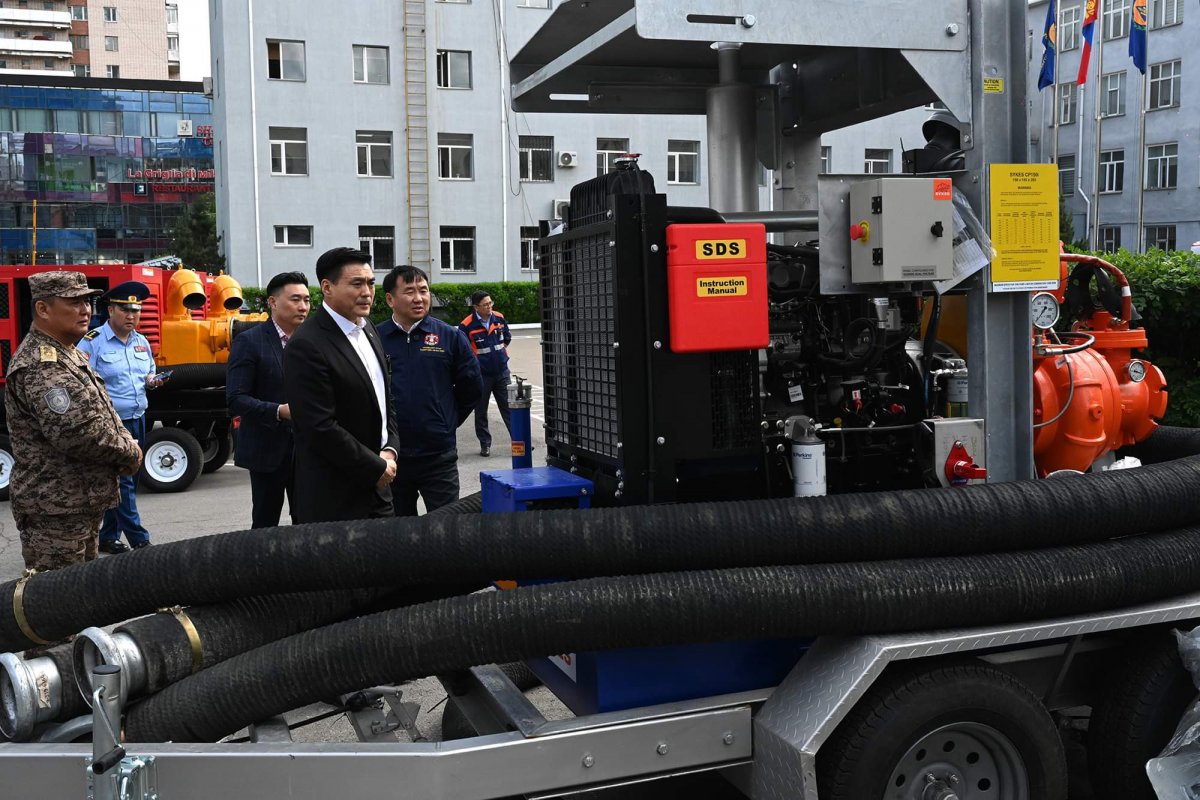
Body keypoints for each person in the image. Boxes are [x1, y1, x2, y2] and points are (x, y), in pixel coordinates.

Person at [5, 271, 143, 572]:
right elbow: (77, 432)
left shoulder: (68, 353)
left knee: (83, 593)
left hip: (78, 502)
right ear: (43, 309)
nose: (86, 310)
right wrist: (129, 452)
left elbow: (103, 411)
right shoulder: (42, 364)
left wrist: (124, 440)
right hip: (56, 510)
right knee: (59, 597)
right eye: (74, 302)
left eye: (87, 302)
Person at [283, 247, 400, 523]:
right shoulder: (306, 344)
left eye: (370, 283)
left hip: (379, 488)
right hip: (334, 496)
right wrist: (375, 466)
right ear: (327, 287)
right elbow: (319, 426)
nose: (367, 292)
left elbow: (384, 401)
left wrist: (390, 449)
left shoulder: (368, 328)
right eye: (356, 284)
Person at [377, 266, 482, 516]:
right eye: (409, 291)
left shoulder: (449, 336)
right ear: (390, 299)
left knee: (446, 526)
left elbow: (472, 386)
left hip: (438, 456)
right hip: (392, 457)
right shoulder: (375, 338)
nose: (419, 298)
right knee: (398, 529)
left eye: (423, 291)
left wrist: (447, 421)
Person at [76, 281, 167, 554]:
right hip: (113, 424)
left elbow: (147, 372)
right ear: (111, 310)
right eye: (125, 310)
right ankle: (140, 540)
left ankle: (108, 536)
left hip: (138, 418)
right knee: (124, 484)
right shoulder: (92, 342)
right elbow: (80, 381)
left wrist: (152, 381)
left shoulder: (141, 341)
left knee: (130, 480)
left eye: (136, 311)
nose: (131, 316)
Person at [227, 271, 311, 528]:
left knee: (308, 521)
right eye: (295, 299)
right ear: (273, 302)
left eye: (307, 300)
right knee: (265, 524)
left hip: (308, 449)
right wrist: (279, 411)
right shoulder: (250, 341)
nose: (303, 306)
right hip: (267, 449)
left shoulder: (313, 341)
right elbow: (236, 399)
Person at [458, 290, 512, 457]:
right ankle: (485, 444)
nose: (489, 307)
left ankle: (520, 442)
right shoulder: (466, 325)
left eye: (490, 303)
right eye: (485, 304)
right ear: (476, 307)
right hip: (481, 375)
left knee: (510, 408)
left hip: (502, 372)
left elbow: (507, 338)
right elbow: (464, 351)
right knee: (481, 411)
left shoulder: (499, 318)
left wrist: (500, 356)